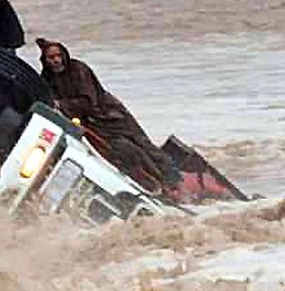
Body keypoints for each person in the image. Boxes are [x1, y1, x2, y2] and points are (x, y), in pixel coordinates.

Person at [36, 37, 185, 197]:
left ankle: (174, 180)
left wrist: (62, 105)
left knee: (143, 144)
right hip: (91, 125)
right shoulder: (46, 78)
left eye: (58, 56)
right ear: (45, 60)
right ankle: (152, 185)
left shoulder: (79, 69)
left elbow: (88, 101)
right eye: (51, 58)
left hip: (110, 115)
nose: (56, 60)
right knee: (123, 152)